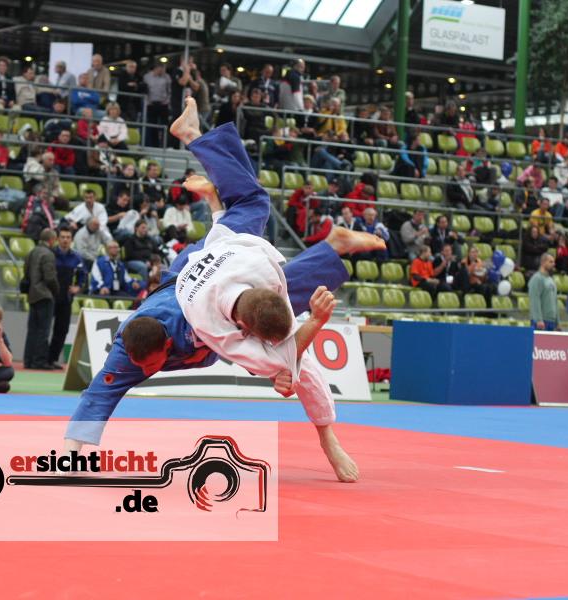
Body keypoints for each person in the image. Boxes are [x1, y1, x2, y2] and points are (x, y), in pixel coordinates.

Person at [66, 100, 385, 483]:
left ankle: (328, 439)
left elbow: (227, 254)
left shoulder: (208, 320)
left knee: (301, 364)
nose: (145, 373)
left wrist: (294, 352)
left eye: (149, 367)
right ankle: (329, 244)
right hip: (208, 273)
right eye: (144, 368)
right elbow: (97, 395)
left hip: (210, 270)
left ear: (167, 346)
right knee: (252, 204)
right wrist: (70, 457)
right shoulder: (129, 354)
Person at [49, 228, 86, 367]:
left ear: (71, 240)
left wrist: (78, 287)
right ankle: (40, 359)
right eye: (63, 237)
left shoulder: (76, 257)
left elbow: (83, 275)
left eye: (68, 237)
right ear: (58, 239)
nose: (65, 240)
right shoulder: (51, 254)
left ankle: (51, 359)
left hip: (66, 299)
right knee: (44, 330)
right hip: (50, 297)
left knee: (62, 329)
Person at [23, 229, 59, 370]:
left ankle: (28, 360)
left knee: (32, 330)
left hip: (32, 294)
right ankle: (39, 361)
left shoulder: (31, 252)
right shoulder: (48, 254)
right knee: (43, 330)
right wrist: (56, 290)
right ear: (51, 240)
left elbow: (26, 274)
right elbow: (50, 277)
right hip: (44, 295)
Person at [528, 254, 558, 330]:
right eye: (551, 262)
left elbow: (555, 301)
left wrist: (557, 322)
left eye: (554, 262)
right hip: (541, 321)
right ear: (543, 263)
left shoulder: (551, 280)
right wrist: (538, 320)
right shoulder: (536, 279)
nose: (553, 264)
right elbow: (535, 300)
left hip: (551, 321)